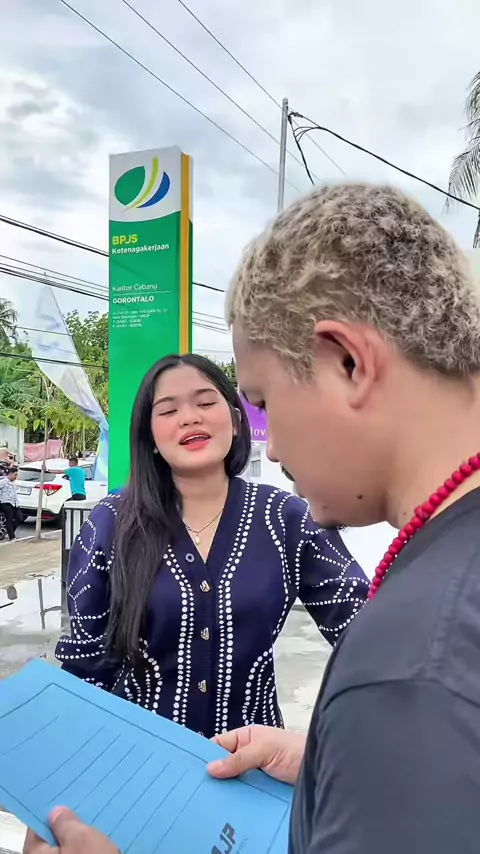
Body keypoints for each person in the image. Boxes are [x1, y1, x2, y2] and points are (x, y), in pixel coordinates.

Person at [203, 182, 480, 852]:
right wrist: (338, 765)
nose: (271, 446)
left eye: (263, 402)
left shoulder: (410, 665)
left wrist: (378, 733)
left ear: (349, 362)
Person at [55, 353, 368, 740]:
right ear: (150, 437)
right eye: (168, 411)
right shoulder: (111, 523)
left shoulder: (285, 518)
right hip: (137, 759)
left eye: (205, 403)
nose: (190, 418)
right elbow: (86, 668)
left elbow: (366, 635)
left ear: (235, 421)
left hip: (252, 762)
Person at [0, 467, 21, 540]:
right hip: (6, 503)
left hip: (15, 503)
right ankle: (12, 536)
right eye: (15, 475)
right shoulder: (3, 482)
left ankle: (10, 531)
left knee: (19, 518)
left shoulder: (13, 482)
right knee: (9, 520)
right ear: (10, 474)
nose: (16, 477)